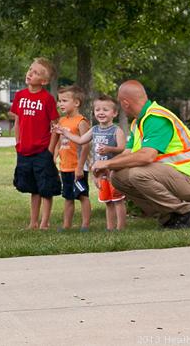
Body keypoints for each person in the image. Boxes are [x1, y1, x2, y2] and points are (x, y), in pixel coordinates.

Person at [91, 81, 190, 229]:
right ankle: (170, 218)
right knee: (118, 177)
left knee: (137, 174)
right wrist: (107, 167)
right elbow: (127, 153)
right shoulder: (138, 123)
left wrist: (107, 163)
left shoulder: (156, 118)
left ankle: (187, 214)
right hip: (174, 177)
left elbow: (146, 156)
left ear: (125, 103)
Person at [56, 94, 127, 230]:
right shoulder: (94, 130)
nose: (101, 112)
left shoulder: (116, 130)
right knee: (107, 201)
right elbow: (81, 140)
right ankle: (110, 228)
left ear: (114, 113)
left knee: (118, 200)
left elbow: (122, 148)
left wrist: (109, 149)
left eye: (105, 110)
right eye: (97, 110)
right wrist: (65, 133)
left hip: (114, 172)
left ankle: (120, 228)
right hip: (100, 173)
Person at [11, 57, 61, 229]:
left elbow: (55, 126)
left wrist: (51, 150)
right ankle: (33, 222)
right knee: (33, 188)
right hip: (25, 150)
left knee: (46, 187)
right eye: (30, 70)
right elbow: (18, 121)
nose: (30, 74)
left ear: (44, 81)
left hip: (42, 151)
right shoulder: (20, 96)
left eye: (36, 73)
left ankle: (44, 222)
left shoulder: (47, 99)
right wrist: (18, 143)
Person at [51, 85, 90, 231]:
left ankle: (85, 224)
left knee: (82, 195)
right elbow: (59, 143)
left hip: (77, 167)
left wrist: (80, 167)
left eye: (64, 101)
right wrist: (54, 157)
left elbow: (86, 146)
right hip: (65, 167)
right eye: (59, 100)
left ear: (76, 103)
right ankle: (66, 225)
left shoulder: (81, 121)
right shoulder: (62, 121)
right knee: (68, 197)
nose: (60, 104)